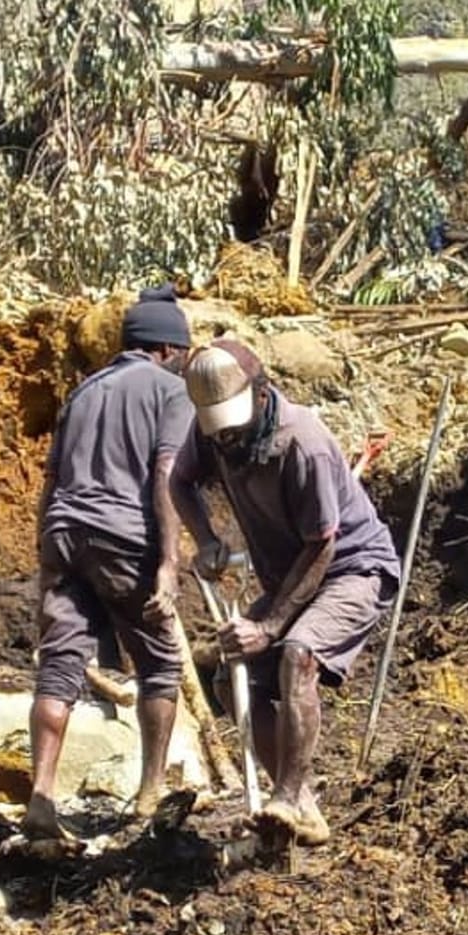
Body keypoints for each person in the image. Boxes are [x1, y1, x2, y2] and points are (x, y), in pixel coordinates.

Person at [173, 338, 400, 846]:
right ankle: (300, 807)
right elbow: (180, 481)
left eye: (234, 427)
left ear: (261, 392)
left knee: (296, 654)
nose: (227, 440)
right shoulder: (214, 431)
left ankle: (289, 795)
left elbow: (322, 546)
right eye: (218, 430)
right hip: (289, 576)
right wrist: (207, 538)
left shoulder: (304, 442)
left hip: (352, 569)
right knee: (234, 680)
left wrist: (271, 626)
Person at [23, 285, 194, 842]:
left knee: (59, 666)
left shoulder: (83, 392)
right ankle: (149, 793)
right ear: (168, 349)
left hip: (64, 533)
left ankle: (42, 797)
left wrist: (47, 560)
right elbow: (166, 472)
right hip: (124, 536)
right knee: (160, 663)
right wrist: (169, 562)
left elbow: (50, 483)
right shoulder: (171, 391)